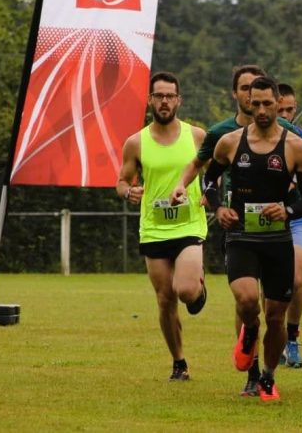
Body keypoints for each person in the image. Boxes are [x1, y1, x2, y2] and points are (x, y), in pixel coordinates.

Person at [181, 76, 302, 402]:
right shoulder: (229, 142)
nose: (261, 110)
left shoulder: (296, 147)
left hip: (277, 241)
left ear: (278, 103)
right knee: (246, 300)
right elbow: (208, 181)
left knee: (276, 316)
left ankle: (267, 376)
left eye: (268, 103)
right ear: (247, 103)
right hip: (241, 235)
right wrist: (218, 208)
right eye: (255, 103)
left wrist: (286, 210)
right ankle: (249, 330)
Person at [117, 72, 208, 381]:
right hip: (154, 228)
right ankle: (179, 362)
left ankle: (197, 288)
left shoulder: (196, 136)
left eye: (170, 96)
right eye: (159, 96)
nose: (165, 101)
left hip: (189, 224)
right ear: (150, 100)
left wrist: (211, 194)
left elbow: (216, 170)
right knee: (164, 299)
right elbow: (120, 181)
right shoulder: (136, 142)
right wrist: (129, 192)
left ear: (179, 100)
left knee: (183, 290)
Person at [275, 81, 302, 370]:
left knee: (296, 280)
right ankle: (271, 335)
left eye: (291, 110)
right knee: (270, 283)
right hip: (268, 218)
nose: (286, 115)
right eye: (281, 110)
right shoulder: (255, 139)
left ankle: (292, 338)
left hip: (298, 217)